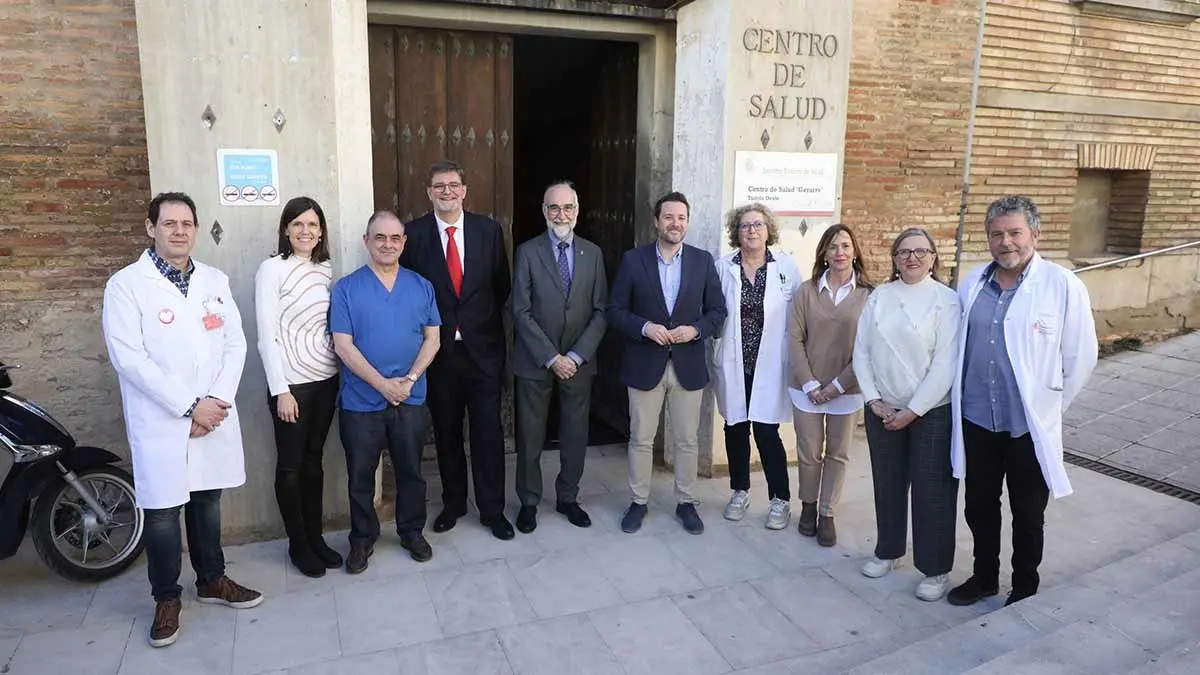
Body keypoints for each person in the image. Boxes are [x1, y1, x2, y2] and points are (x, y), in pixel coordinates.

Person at [102, 192, 263, 649]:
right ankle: (166, 598)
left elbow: (236, 345)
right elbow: (129, 359)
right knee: (163, 512)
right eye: (169, 223)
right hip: (163, 419)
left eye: (187, 223)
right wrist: (189, 407)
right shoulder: (126, 285)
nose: (179, 231)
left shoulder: (213, 279)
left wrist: (213, 402)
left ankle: (212, 579)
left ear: (196, 229)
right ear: (150, 228)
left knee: (207, 499)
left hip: (212, 414)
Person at [947, 195, 1097, 607]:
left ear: (1035, 234)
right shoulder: (974, 283)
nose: (1006, 242)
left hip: (1028, 425)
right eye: (997, 234)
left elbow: (1081, 356)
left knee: (1028, 513)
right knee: (979, 505)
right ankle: (983, 577)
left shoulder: (1062, 284)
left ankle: (1025, 585)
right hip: (977, 416)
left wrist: (1050, 407)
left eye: (1015, 233)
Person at [400, 160, 513, 540]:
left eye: (453, 185)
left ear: (464, 190)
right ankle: (453, 504)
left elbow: (502, 288)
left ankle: (493, 510)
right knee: (446, 433)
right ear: (428, 192)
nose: (447, 191)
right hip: (439, 355)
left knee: (487, 434)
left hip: (483, 353)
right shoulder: (413, 235)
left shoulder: (488, 231)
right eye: (439, 186)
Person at [607, 191, 727, 535]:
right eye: (669, 217)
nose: (676, 223)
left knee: (688, 440)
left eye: (682, 218)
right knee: (641, 438)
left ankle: (686, 501)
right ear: (656, 221)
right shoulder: (633, 261)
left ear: (687, 223)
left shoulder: (703, 262)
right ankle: (638, 501)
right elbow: (614, 311)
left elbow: (718, 311)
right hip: (644, 362)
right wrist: (644, 327)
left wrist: (695, 330)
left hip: (687, 363)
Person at [854, 227, 961, 601]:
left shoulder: (946, 301)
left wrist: (914, 411)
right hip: (883, 409)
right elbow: (861, 352)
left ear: (933, 257)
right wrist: (872, 400)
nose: (911, 258)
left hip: (931, 412)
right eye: (903, 252)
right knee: (888, 482)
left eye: (920, 251)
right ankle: (888, 550)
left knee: (932, 490)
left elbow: (946, 363)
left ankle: (935, 569)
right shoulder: (880, 297)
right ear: (895, 259)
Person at [331, 211, 442, 573]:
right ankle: (362, 539)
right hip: (361, 402)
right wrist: (382, 384)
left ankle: (412, 532)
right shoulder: (347, 288)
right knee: (361, 476)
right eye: (380, 237)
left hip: (410, 397)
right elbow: (343, 346)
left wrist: (408, 381)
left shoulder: (421, 285)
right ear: (367, 241)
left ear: (404, 243)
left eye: (395, 238)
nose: (388, 244)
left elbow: (433, 339)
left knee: (411, 470)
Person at [511, 181, 608, 533]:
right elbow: (520, 310)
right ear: (543, 211)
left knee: (574, 434)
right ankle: (529, 501)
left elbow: (601, 311)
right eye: (554, 208)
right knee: (531, 436)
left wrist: (578, 355)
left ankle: (568, 497)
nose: (561, 214)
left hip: (578, 364)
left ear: (577, 211)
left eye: (568, 208)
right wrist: (552, 357)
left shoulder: (592, 253)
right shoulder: (527, 251)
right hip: (537, 361)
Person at [254, 196, 341, 578]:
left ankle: (316, 538)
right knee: (290, 467)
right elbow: (266, 334)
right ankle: (298, 545)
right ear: (286, 230)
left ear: (320, 231)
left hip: (326, 381)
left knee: (313, 461)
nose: (305, 231)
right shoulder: (272, 270)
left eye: (312, 225)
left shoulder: (325, 270)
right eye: (297, 224)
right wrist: (280, 390)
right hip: (292, 386)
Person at [712, 203, 801, 530]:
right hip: (735, 362)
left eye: (758, 225)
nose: (751, 230)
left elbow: (798, 316)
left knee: (766, 430)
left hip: (770, 363)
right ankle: (740, 491)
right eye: (745, 225)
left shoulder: (786, 267)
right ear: (736, 232)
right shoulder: (723, 267)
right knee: (735, 428)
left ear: (769, 231)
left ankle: (780, 499)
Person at [787, 224, 872, 547]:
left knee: (838, 453)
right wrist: (810, 384)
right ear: (823, 252)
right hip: (805, 388)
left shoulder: (868, 295)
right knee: (809, 453)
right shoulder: (806, 291)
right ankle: (807, 507)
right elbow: (794, 339)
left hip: (846, 390)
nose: (840, 253)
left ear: (855, 252)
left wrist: (836, 386)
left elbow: (867, 348)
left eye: (846, 246)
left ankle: (827, 512)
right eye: (833, 246)